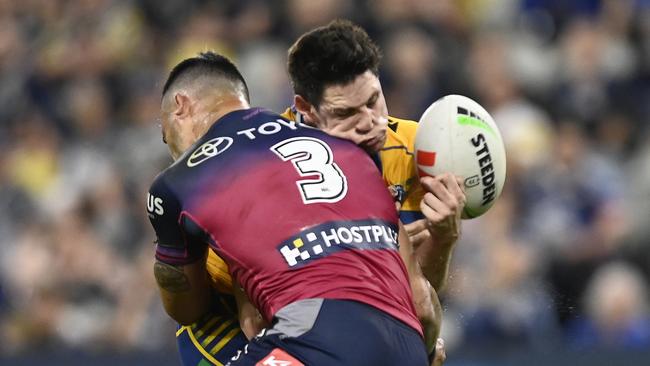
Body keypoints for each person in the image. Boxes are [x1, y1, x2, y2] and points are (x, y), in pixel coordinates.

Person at [182, 20, 462, 366]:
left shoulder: (414, 150)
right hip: (231, 326)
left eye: (374, 100)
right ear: (306, 108)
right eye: (346, 113)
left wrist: (443, 238)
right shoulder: (261, 172)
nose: (370, 123)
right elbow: (252, 318)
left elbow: (413, 299)